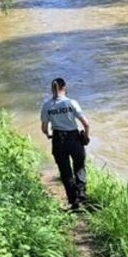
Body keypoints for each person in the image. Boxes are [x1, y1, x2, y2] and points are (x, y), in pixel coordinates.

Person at [40, 78, 90, 210]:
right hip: (74, 139)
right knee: (79, 166)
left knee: (65, 171)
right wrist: (86, 135)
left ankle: (74, 201)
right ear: (65, 87)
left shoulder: (47, 105)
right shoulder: (71, 103)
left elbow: (45, 128)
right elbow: (86, 123)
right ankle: (81, 193)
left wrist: (49, 134)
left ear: (52, 89)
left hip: (58, 141)